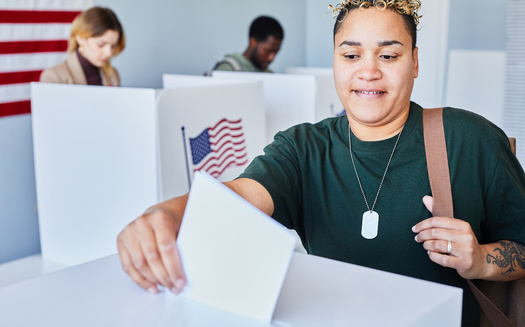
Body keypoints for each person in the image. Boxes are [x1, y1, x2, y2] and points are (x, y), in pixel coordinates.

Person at [117, 1, 525, 326]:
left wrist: (482, 260)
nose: (368, 71)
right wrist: (165, 214)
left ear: (414, 62)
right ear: (334, 61)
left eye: (388, 54)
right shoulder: (303, 148)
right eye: (351, 55)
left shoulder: (470, 139)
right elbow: (241, 195)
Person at [40, 6, 125, 86]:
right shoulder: (54, 77)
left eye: (113, 46)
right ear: (80, 38)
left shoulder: (113, 75)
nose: (108, 53)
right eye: (101, 44)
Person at [211, 15, 283, 73]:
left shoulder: (269, 74)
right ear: (253, 42)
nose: (272, 58)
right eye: (267, 51)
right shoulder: (228, 69)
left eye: (276, 52)